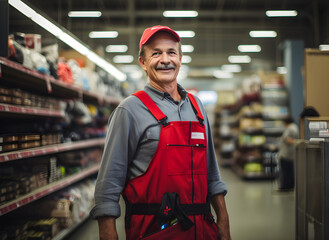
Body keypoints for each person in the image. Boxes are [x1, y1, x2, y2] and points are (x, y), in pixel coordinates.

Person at [90, 25, 231, 240]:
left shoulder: (197, 107)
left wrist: (223, 218)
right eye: (156, 53)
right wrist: (107, 232)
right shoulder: (129, 110)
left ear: (180, 59)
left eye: (171, 52)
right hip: (155, 231)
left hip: (202, 230)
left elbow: (212, 171)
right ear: (143, 63)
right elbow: (109, 181)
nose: (165, 59)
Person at [277, 117, 299, 191]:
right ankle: (290, 185)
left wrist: (293, 142)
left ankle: (285, 187)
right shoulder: (295, 127)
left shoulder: (290, 128)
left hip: (285, 153)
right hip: (290, 153)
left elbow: (286, 139)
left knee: (285, 171)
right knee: (290, 171)